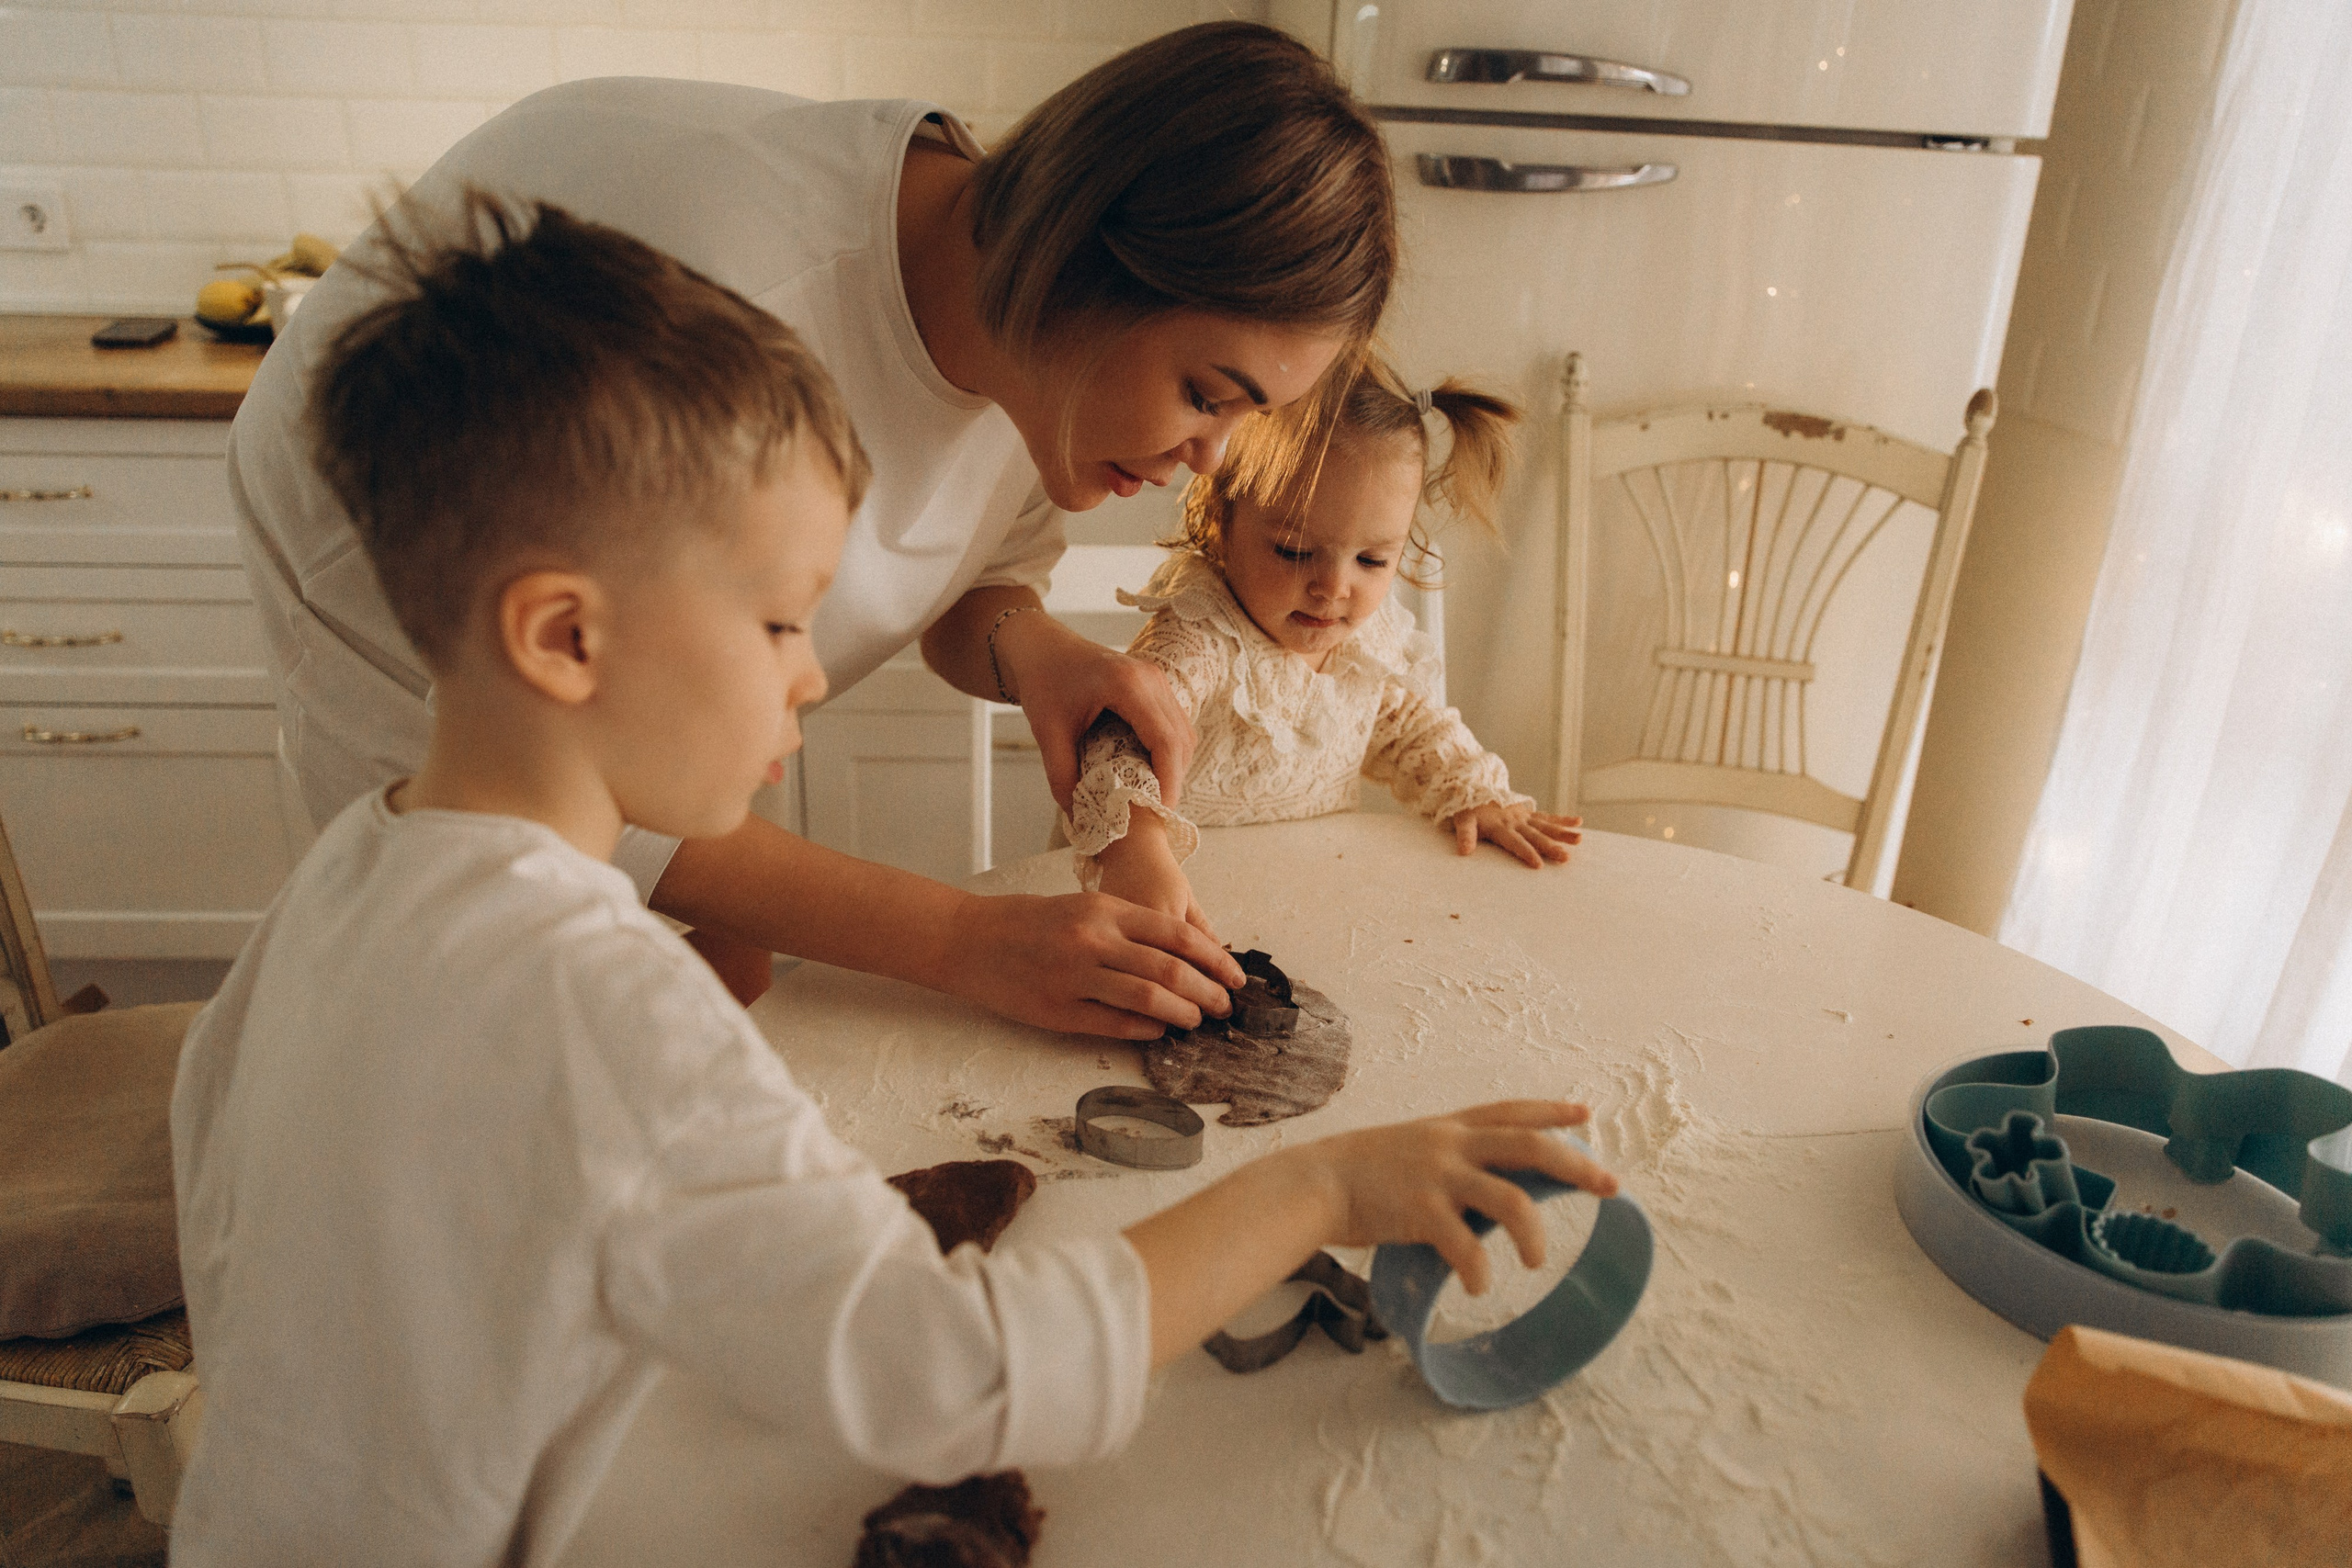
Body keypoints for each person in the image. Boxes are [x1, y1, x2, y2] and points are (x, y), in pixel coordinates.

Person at [169, 197, 1619, 1564]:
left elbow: (227, 1202)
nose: (811, 676)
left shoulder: (352, 868)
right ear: (564, 636)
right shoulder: (612, 1008)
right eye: (782, 620)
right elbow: (959, 1379)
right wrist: (1317, 1187)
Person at [228, 20, 1398, 1032]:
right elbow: (591, 749)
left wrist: (1030, 650)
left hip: (644, 665)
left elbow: (969, 581)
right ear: (1080, 264)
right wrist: (960, 939)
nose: (1211, 458)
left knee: (697, 1004)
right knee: (476, 1035)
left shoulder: (1043, 358)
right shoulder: (734, 315)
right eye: (1206, 394)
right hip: (388, 590)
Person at [1069, 354, 1584, 927]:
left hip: (1312, 900)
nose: (1334, 587)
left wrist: (1474, 791)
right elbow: (1116, 739)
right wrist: (1134, 846)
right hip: (1182, 906)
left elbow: (1409, 726)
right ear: (1220, 522)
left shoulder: (1363, 645)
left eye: (1372, 559)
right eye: (1294, 550)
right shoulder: (1201, 636)